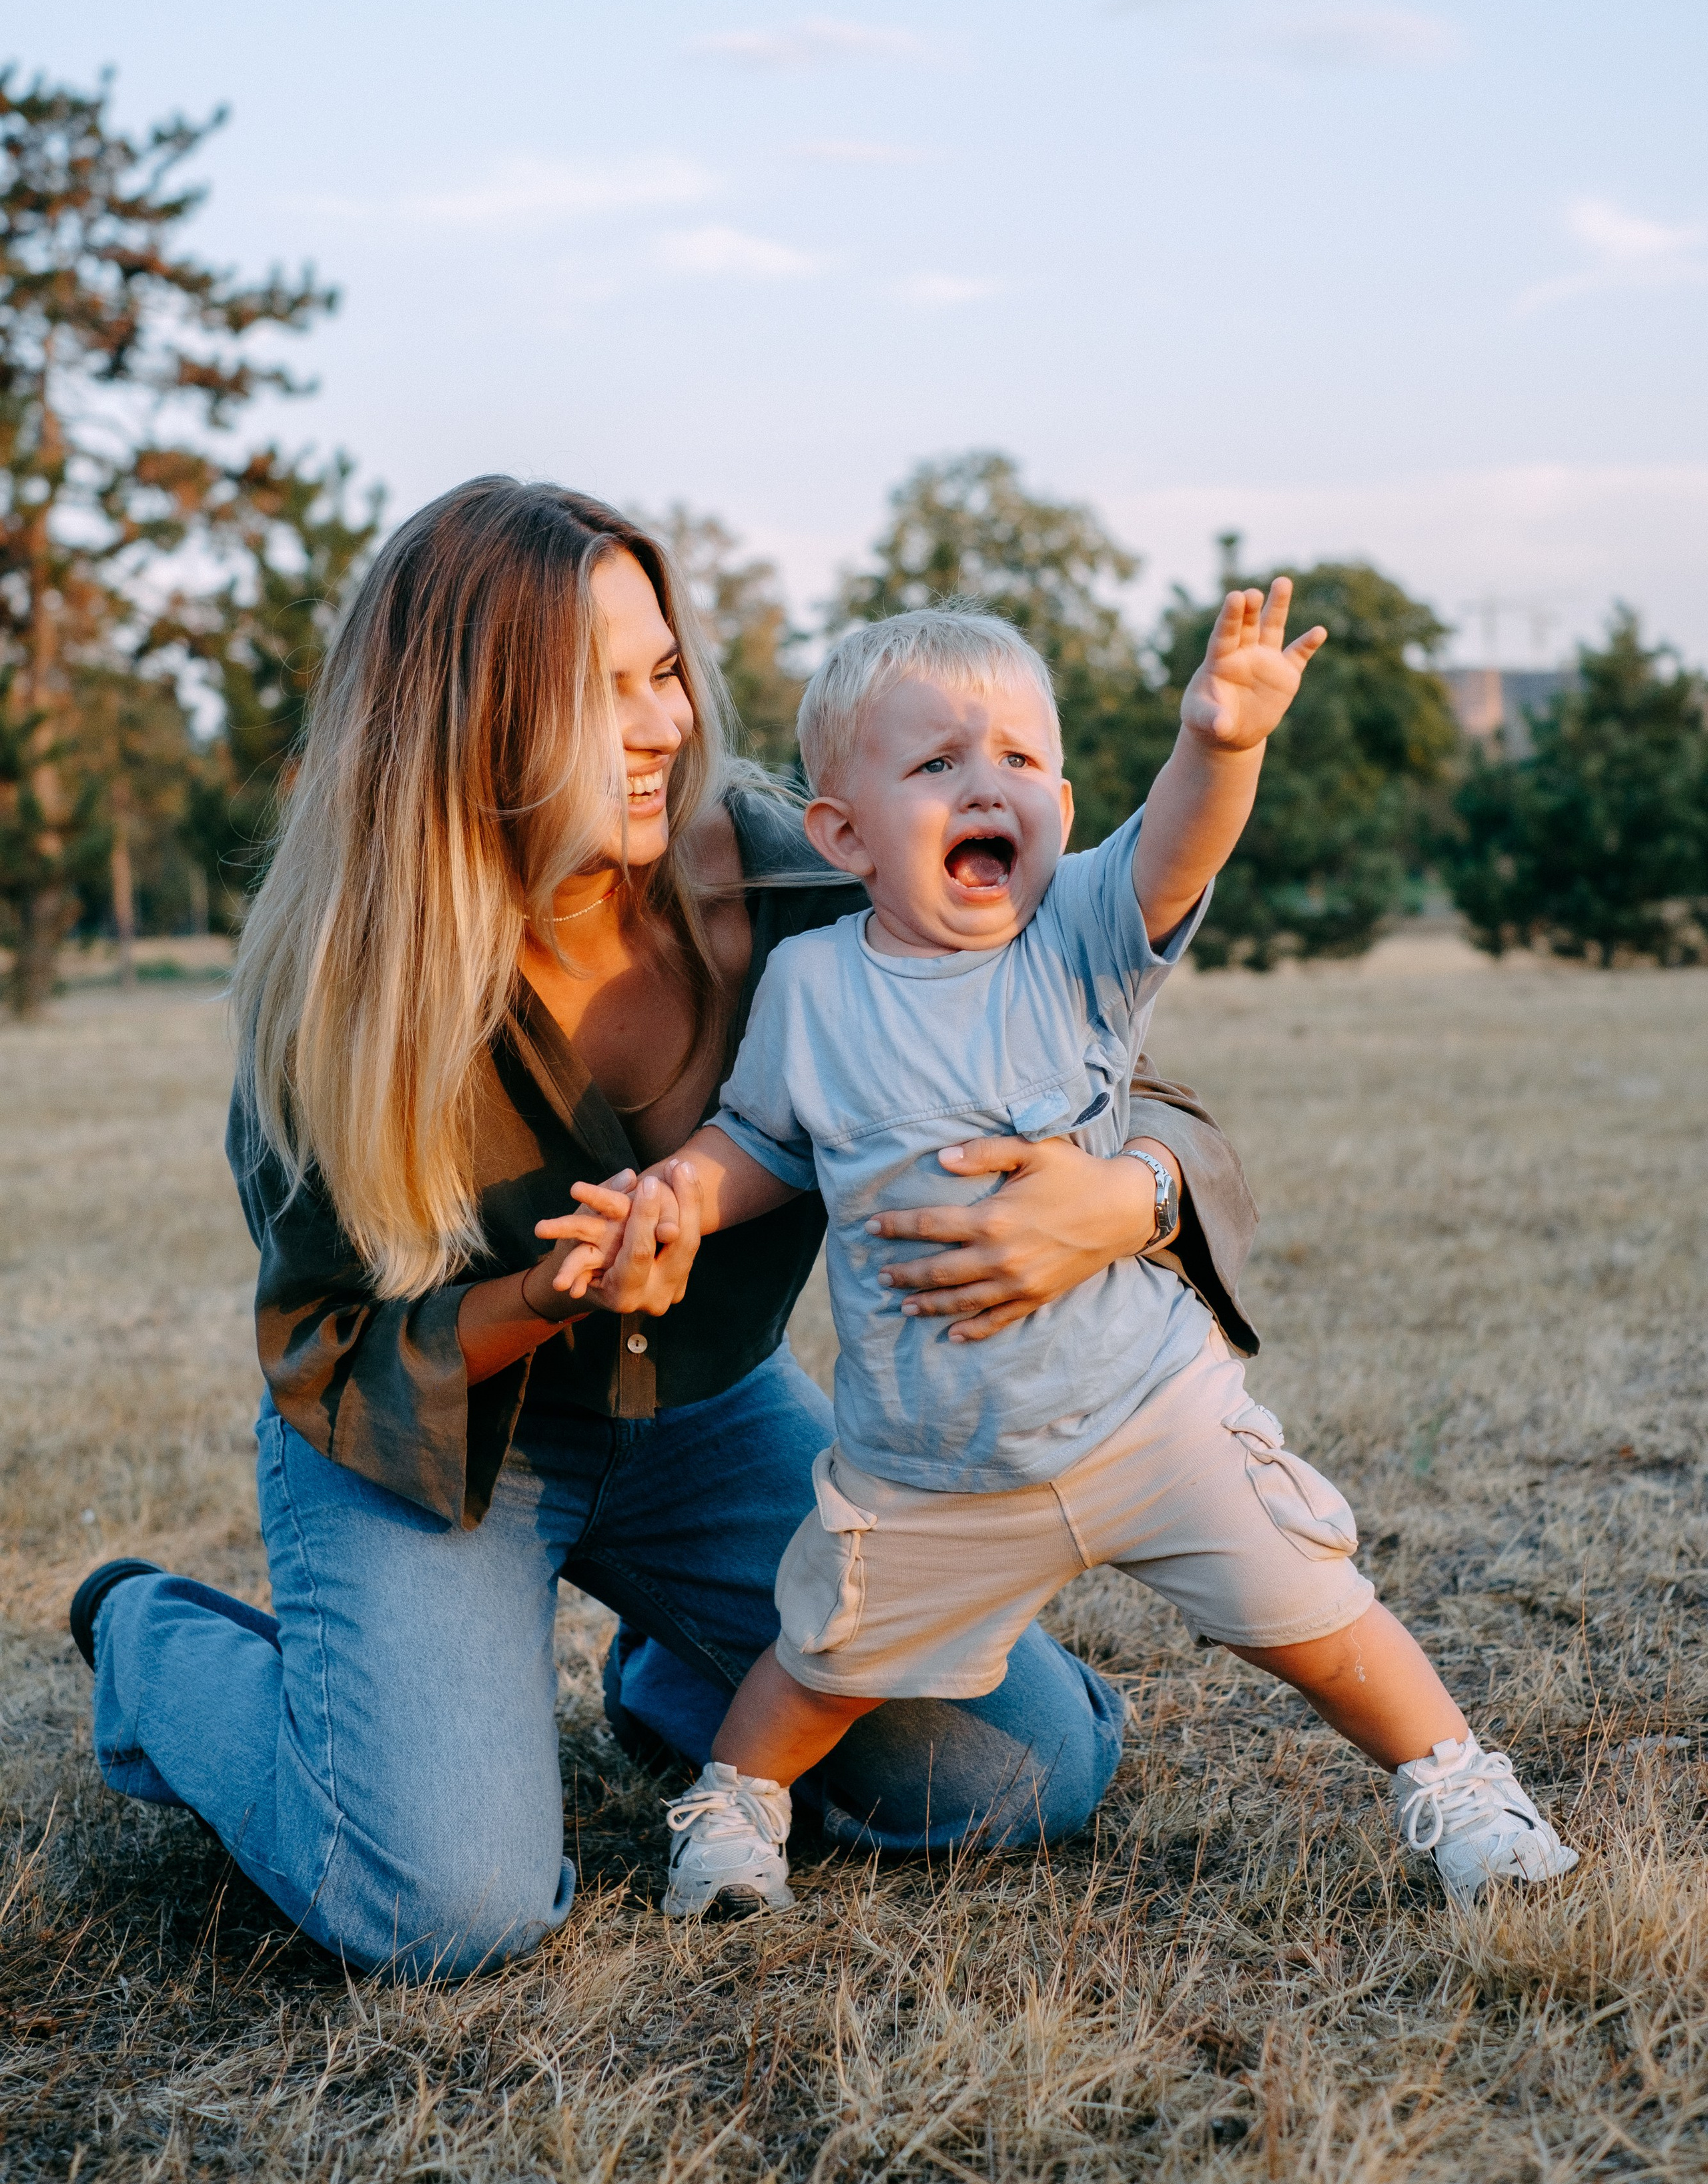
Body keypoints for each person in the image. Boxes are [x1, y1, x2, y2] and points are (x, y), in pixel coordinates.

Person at [68, 477, 1260, 1980]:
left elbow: (1130, 1081)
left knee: (1024, 1777)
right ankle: (152, 1645)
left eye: (662, 671)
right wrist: (559, 1294)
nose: (661, 725)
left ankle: (675, 1677)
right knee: (448, 1908)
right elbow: (325, 1345)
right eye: (597, 694)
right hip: (442, 1447)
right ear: (468, 722)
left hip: (704, 1411)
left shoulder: (817, 877)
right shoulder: (346, 996)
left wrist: (1121, 1197)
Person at [552, 597, 1579, 1917]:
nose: (989, 783)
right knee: (825, 1654)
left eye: (1019, 762)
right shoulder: (813, 989)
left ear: (1060, 800)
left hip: (1146, 1412)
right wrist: (677, 1196)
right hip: (931, 1461)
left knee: (1313, 1608)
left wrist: (1219, 742)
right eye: (936, 765)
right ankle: (733, 1806)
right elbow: (760, 1135)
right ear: (842, 834)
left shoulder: (1078, 936)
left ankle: (1454, 1782)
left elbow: (1172, 845)